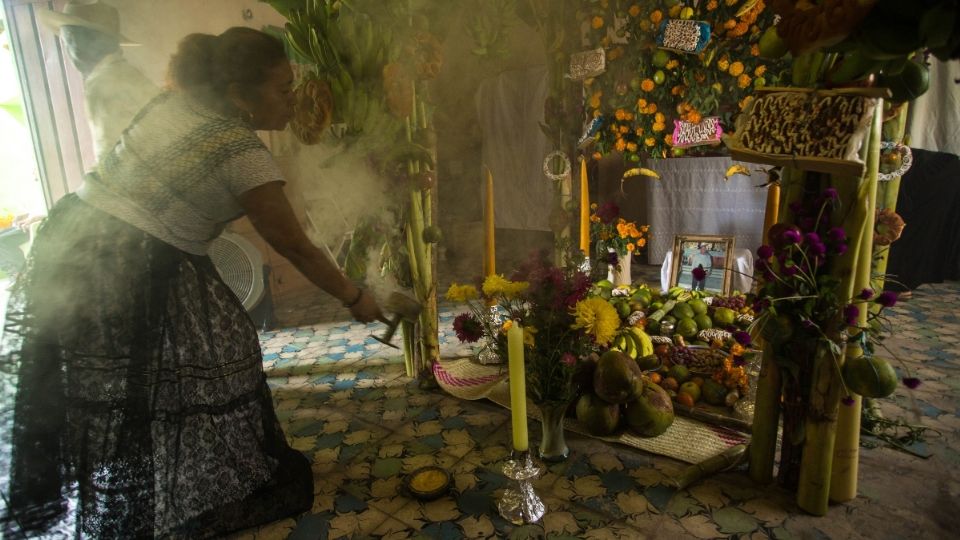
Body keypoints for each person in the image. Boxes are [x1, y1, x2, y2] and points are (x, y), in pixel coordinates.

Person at [0, 27, 383, 538]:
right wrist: (354, 296)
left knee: (120, 384)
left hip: (75, 241)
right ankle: (143, 507)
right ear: (238, 96)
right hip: (133, 260)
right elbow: (294, 244)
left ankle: (130, 501)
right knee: (202, 367)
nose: (291, 100)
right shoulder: (240, 150)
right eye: (281, 90)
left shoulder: (171, 105)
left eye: (292, 86)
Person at [39, 0, 159, 158]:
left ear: (82, 42)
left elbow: (110, 159)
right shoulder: (123, 73)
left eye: (68, 41)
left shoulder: (104, 85)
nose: (67, 49)